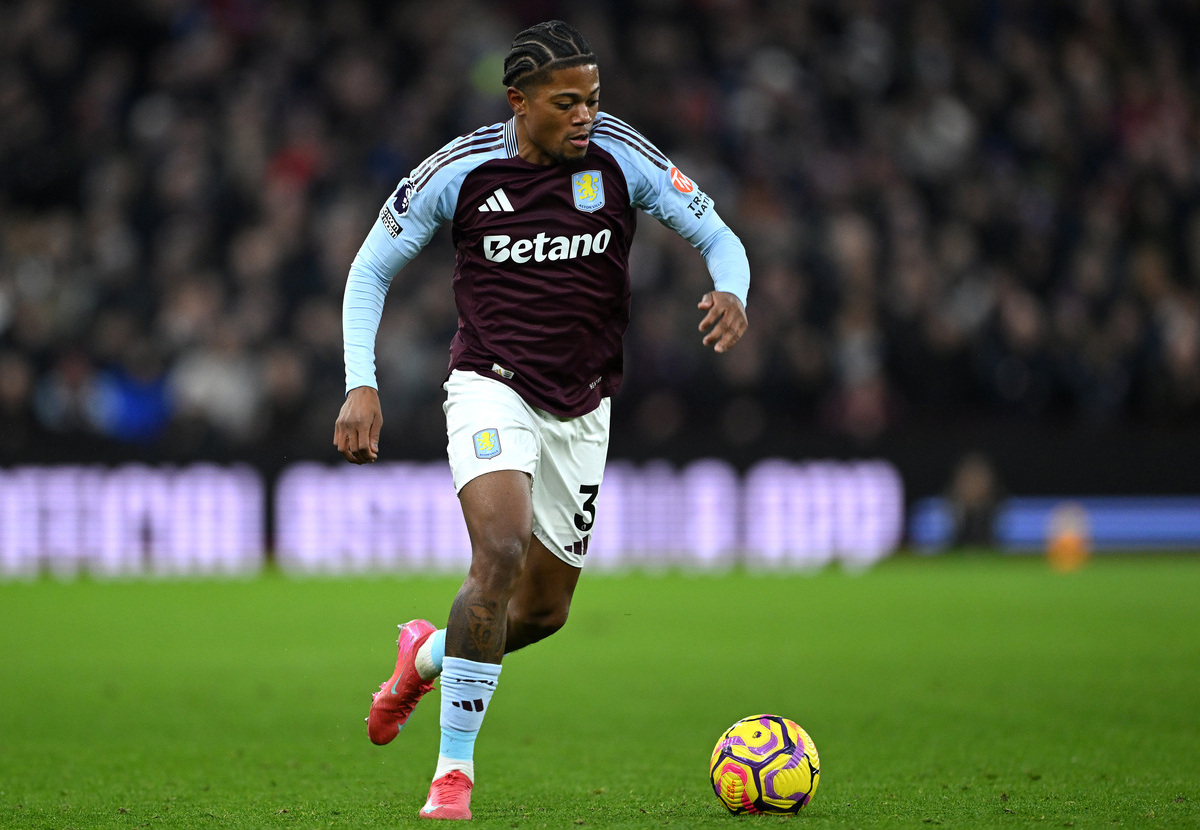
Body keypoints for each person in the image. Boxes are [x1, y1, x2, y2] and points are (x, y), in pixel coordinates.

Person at [333, 20, 749, 821]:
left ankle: (419, 659)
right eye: (568, 102)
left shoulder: (623, 157)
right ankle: (453, 776)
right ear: (519, 103)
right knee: (498, 549)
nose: (587, 114)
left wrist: (733, 291)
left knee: (543, 611)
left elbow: (718, 234)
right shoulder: (460, 170)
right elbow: (369, 269)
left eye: (594, 98)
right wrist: (362, 384)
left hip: (584, 404)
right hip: (490, 383)